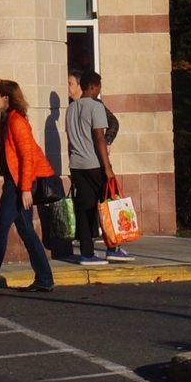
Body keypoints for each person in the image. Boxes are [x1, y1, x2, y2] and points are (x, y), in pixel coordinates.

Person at [0, 80, 54, 294]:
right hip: (15, 182)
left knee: (0, 227)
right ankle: (44, 279)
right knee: (26, 230)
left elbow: (27, 157)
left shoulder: (17, 122)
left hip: (19, 184)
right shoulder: (6, 119)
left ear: (6, 98)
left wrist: (25, 189)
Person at [65, 71, 119, 268]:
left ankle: (87, 254)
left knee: (85, 209)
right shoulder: (96, 106)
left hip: (77, 165)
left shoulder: (70, 109)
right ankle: (113, 248)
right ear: (93, 86)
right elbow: (99, 137)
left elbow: (70, 140)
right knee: (108, 204)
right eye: (99, 88)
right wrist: (107, 167)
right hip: (95, 164)